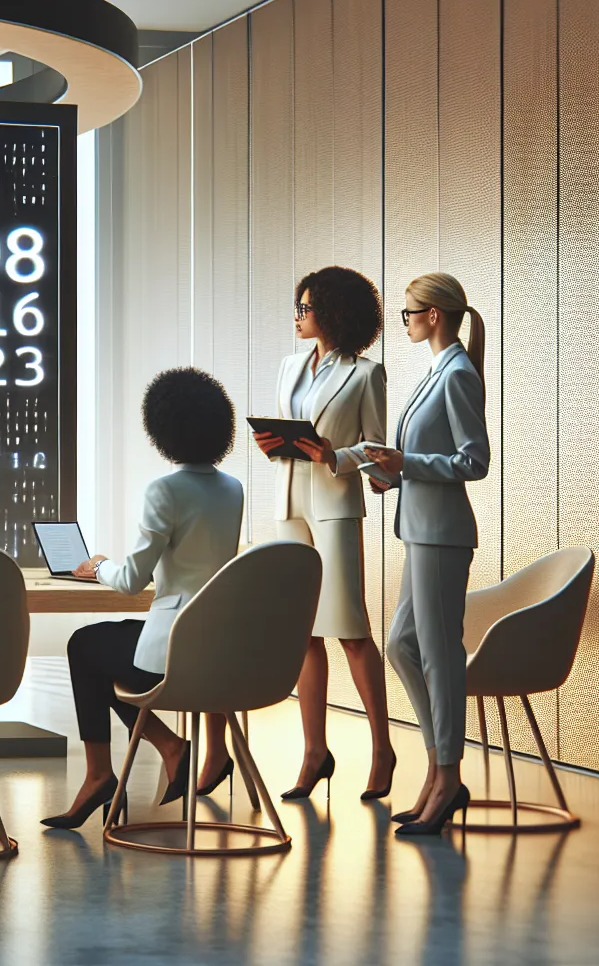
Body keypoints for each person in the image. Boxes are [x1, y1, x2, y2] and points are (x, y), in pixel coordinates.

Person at [207, 266, 394, 802]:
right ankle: (315, 751)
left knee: (351, 631)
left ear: (332, 313)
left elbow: (379, 451)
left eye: (305, 309)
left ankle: (382, 748)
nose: (298, 317)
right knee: (304, 634)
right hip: (288, 503)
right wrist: (278, 444)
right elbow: (287, 425)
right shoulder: (290, 365)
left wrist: (335, 455)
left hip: (334, 506)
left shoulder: (366, 374)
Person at [42, 367, 245, 830]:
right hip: (217, 649)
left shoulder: (164, 490)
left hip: (170, 653)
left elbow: (133, 579)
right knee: (103, 648)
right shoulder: (232, 489)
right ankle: (168, 748)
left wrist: (97, 568)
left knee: (84, 647)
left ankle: (100, 775)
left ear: (163, 429)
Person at [363, 271, 490, 837]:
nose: (406, 322)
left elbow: (474, 460)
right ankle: (441, 769)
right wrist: (391, 475)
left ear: (434, 316)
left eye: (410, 313)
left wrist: (406, 466)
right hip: (419, 527)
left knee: (440, 656)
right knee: (402, 645)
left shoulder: (458, 374)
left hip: (442, 535)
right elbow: (422, 456)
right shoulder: (437, 371)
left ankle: (446, 778)